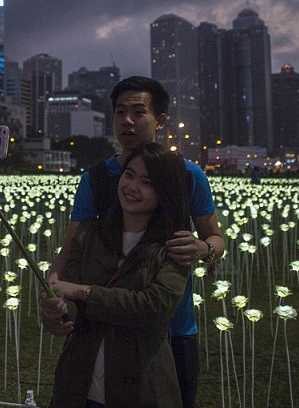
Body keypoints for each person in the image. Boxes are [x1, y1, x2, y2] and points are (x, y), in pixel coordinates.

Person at [43, 76, 225, 408]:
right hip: (102, 323)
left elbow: (215, 236)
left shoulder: (188, 175)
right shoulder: (96, 179)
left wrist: (203, 248)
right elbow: (70, 248)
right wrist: (53, 292)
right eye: (119, 112)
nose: (127, 121)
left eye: (138, 112)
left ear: (160, 120)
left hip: (172, 326)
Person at [46, 143, 190, 407]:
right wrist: (56, 313)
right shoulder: (89, 234)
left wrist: (83, 292)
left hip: (141, 387)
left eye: (147, 182)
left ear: (164, 191)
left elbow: (153, 308)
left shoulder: (174, 247)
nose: (132, 187)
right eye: (129, 175)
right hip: (78, 384)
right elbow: (68, 303)